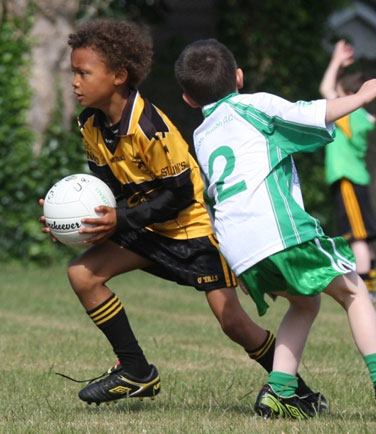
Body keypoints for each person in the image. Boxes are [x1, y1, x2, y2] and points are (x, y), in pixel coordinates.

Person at [38, 19, 326, 412]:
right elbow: (107, 191)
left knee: (234, 325)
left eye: (83, 72)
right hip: (146, 227)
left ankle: (295, 392)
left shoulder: (150, 127)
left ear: (119, 76)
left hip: (193, 232)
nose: (74, 81)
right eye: (74, 72)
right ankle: (136, 370)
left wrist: (119, 220)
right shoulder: (90, 124)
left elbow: (180, 194)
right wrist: (74, 222)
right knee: (83, 275)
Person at [174, 38, 376, 420]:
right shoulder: (253, 105)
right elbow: (312, 112)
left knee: (305, 302)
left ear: (188, 100)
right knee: (354, 291)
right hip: (278, 233)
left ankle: (279, 390)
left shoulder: (202, 134)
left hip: (238, 249)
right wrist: (360, 97)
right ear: (239, 77)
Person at [319, 40, 376, 303]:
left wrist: (335, 61)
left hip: (347, 180)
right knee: (361, 234)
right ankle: (370, 282)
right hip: (357, 179)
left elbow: (325, 89)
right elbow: (333, 90)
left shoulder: (349, 114)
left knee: (356, 235)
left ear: (348, 96)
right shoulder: (363, 116)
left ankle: (367, 287)